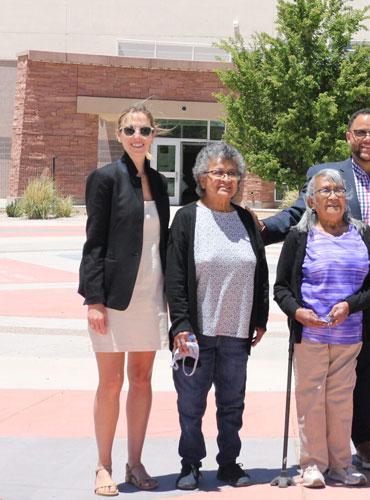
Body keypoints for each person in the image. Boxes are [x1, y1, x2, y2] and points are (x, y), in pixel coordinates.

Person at [261, 108, 370, 469]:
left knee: (369, 373)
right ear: (349, 137)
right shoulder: (327, 176)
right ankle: (320, 454)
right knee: (324, 378)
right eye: (360, 132)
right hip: (331, 298)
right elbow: (297, 214)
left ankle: (365, 442)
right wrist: (262, 230)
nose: (368, 139)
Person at [165, 142, 269, 490]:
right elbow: (175, 276)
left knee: (232, 405)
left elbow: (260, 271)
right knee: (191, 406)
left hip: (237, 332)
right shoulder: (187, 218)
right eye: (218, 172)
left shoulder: (245, 219)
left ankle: (228, 463)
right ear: (202, 178)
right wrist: (180, 324)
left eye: (232, 172)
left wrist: (260, 318)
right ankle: (191, 463)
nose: (226, 178)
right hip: (196, 332)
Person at [78, 104, 170, 496]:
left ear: (153, 136)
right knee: (111, 383)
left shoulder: (160, 181)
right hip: (114, 298)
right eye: (130, 129)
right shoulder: (104, 179)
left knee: (143, 380)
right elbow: (94, 242)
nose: (137, 136)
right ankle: (104, 465)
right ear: (119, 135)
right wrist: (94, 299)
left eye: (144, 130)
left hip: (151, 294)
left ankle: (135, 463)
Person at [274, 169, 370, 487]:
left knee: (340, 400)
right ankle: (311, 465)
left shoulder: (363, 234)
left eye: (338, 190)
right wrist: (297, 312)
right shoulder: (299, 236)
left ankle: (341, 466)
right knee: (310, 398)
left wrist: (350, 304)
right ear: (311, 200)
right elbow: (281, 287)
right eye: (325, 191)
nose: (333, 196)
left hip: (349, 336)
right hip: (310, 334)